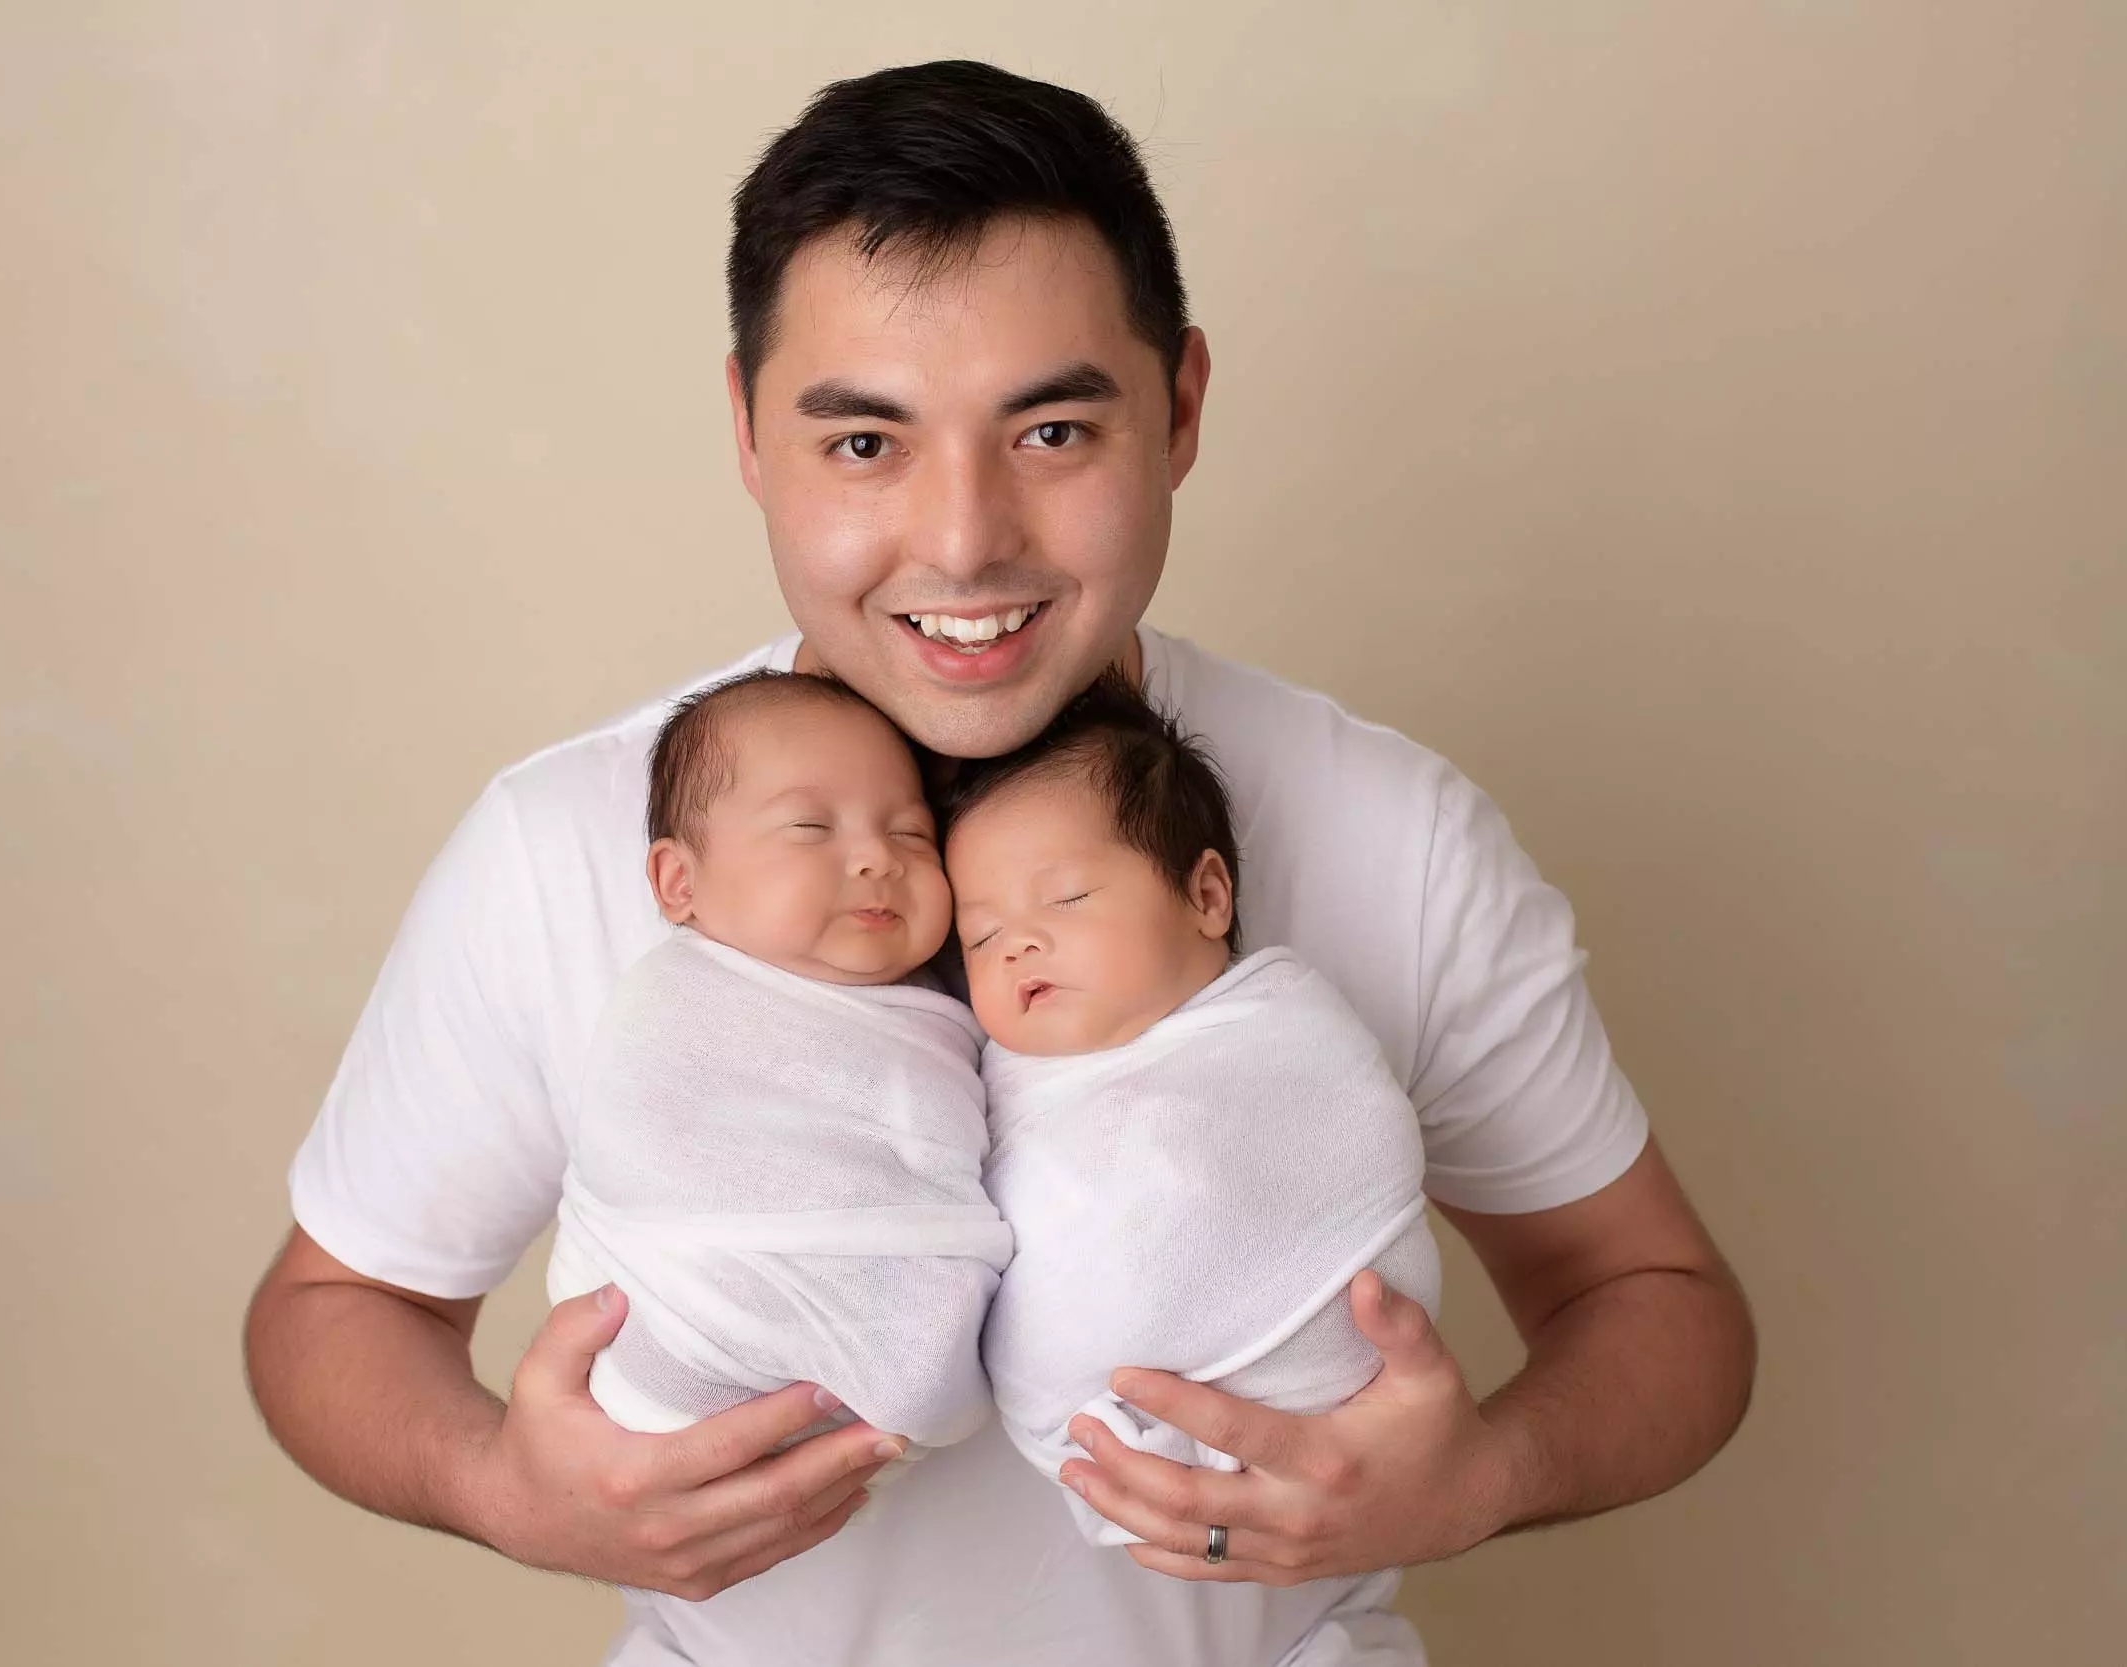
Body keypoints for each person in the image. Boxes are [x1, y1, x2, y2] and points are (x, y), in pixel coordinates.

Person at [244, 58, 1757, 1667]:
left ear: (1179, 410)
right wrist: (497, 1482)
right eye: (864, 442)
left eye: (1051, 428)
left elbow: (1659, 1296)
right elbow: (330, 1312)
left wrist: (1483, 1475)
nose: (966, 540)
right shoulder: (569, 840)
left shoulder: (1395, 831)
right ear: (749, 433)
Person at [944, 670, 1442, 1549]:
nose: (1017, 941)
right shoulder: (983, 1080)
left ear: (1207, 897)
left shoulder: (1278, 1032)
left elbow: (1355, 1132)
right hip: (1104, 1432)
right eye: (981, 936)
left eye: (1066, 898)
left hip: (1331, 1366)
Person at [544, 669, 1010, 1453]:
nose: (878, 858)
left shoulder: (961, 1004)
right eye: (810, 827)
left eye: (911, 834)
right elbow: (649, 1154)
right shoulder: (676, 1005)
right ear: (679, 881)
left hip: (889, 1389)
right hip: (678, 1321)